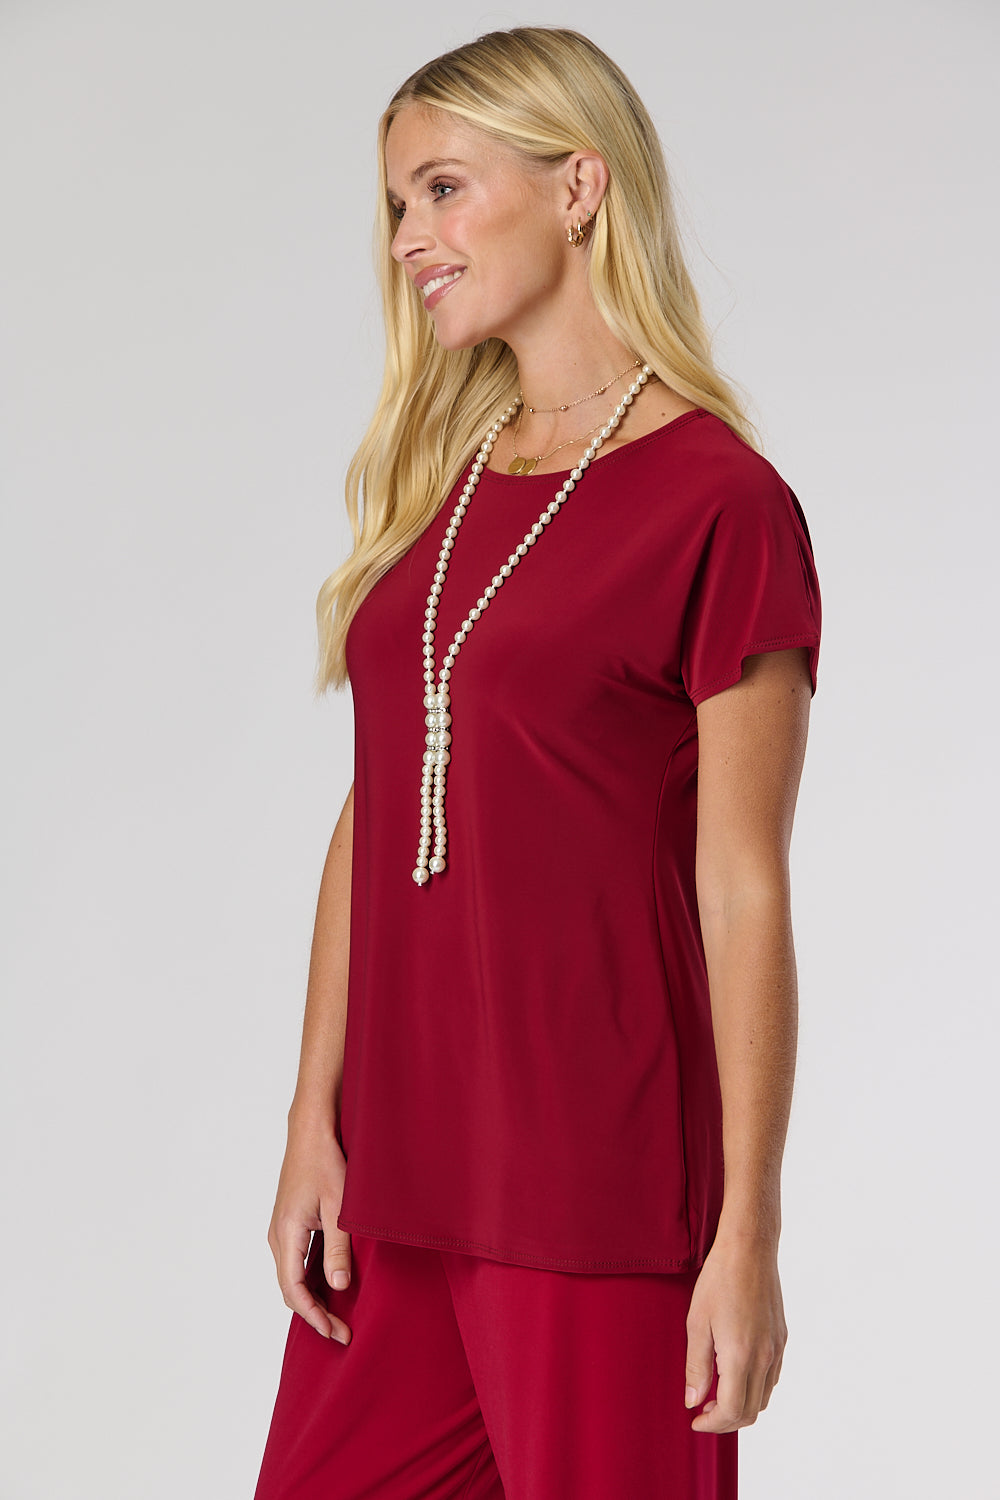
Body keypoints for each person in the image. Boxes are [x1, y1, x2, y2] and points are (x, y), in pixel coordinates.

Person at [253, 25, 820, 1500]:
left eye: (443, 189)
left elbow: (743, 888)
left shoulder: (721, 504)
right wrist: (315, 1118)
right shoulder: (445, 486)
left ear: (579, 186)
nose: (408, 240)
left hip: (596, 1182)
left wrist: (748, 1232)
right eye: (396, 205)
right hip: (400, 1175)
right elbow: (382, 804)